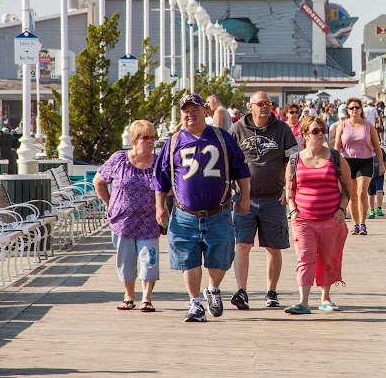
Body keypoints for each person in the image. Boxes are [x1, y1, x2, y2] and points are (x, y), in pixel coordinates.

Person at [153, 93, 251, 322]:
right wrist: (159, 206)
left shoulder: (222, 137)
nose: (190, 114)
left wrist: (245, 198)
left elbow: (242, 171)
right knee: (189, 259)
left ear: (204, 111)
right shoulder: (174, 142)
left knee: (220, 258)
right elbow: (161, 178)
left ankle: (213, 289)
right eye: (186, 111)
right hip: (184, 214)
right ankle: (195, 303)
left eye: (195, 109)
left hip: (219, 213)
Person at [228, 91, 299, 310]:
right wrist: (231, 189)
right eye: (260, 103)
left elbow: (294, 159)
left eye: (268, 103)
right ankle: (242, 291)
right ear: (250, 106)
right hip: (244, 199)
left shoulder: (282, 129)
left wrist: (289, 188)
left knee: (273, 248)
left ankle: (271, 292)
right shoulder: (237, 130)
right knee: (242, 245)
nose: (265, 106)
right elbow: (227, 161)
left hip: (273, 198)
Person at [284, 116, 351, 314]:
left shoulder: (336, 157)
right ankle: (303, 301)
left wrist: (341, 210)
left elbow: (347, 188)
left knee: (328, 258)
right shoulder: (295, 159)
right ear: (304, 135)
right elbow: (290, 189)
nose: (320, 134)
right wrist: (293, 210)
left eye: (323, 130)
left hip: (331, 218)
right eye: (315, 131)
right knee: (305, 258)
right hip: (303, 219)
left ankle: (325, 297)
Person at [93, 120, 160, 312]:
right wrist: (109, 204)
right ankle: (129, 296)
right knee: (126, 261)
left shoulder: (158, 162)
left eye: (152, 138)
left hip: (149, 220)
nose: (150, 142)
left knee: (150, 260)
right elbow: (99, 182)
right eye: (145, 138)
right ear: (134, 139)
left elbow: (168, 187)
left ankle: (146, 298)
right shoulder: (119, 159)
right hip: (123, 221)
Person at [334, 97, 385, 235]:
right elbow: (337, 146)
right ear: (348, 111)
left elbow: (377, 146)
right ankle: (355, 225)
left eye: (357, 107)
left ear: (361, 110)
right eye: (352, 108)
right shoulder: (343, 125)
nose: (354, 110)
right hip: (347, 162)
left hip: (366, 161)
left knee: (362, 191)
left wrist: (381, 164)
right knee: (351, 194)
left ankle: (363, 224)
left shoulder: (368, 125)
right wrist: (334, 164)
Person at [366, 150, 386, 219]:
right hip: (368, 175)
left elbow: (385, 162)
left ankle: (379, 208)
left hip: (379, 174)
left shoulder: (380, 150)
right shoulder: (365, 149)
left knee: (379, 191)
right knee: (370, 194)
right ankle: (372, 210)